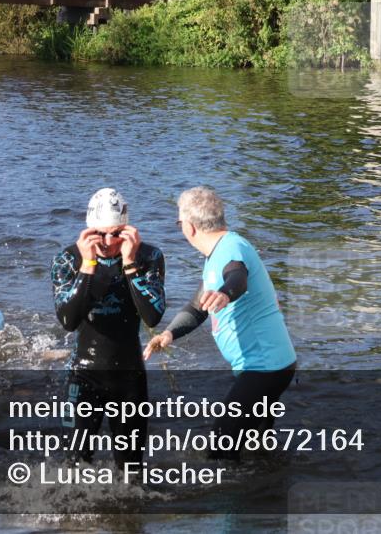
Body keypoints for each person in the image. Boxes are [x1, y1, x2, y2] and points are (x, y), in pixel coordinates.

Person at [144, 186, 296, 460]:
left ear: (188, 227)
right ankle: (267, 494)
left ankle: (228, 502)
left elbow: (237, 277)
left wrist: (226, 293)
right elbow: (196, 307)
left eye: (179, 222)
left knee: (220, 450)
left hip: (264, 368)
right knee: (258, 449)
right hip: (270, 365)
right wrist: (168, 334)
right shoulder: (220, 250)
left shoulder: (231, 250)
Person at [51, 188, 166, 467]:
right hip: (82, 374)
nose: (107, 241)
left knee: (132, 468)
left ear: (127, 230)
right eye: (99, 234)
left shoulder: (148, 257)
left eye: (115, 233)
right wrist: (88, 265)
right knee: (75, 464)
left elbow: (152, 316)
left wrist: (129, 263)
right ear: (88, 231)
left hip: (129, 377)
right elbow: (68, 320)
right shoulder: (68, 259)